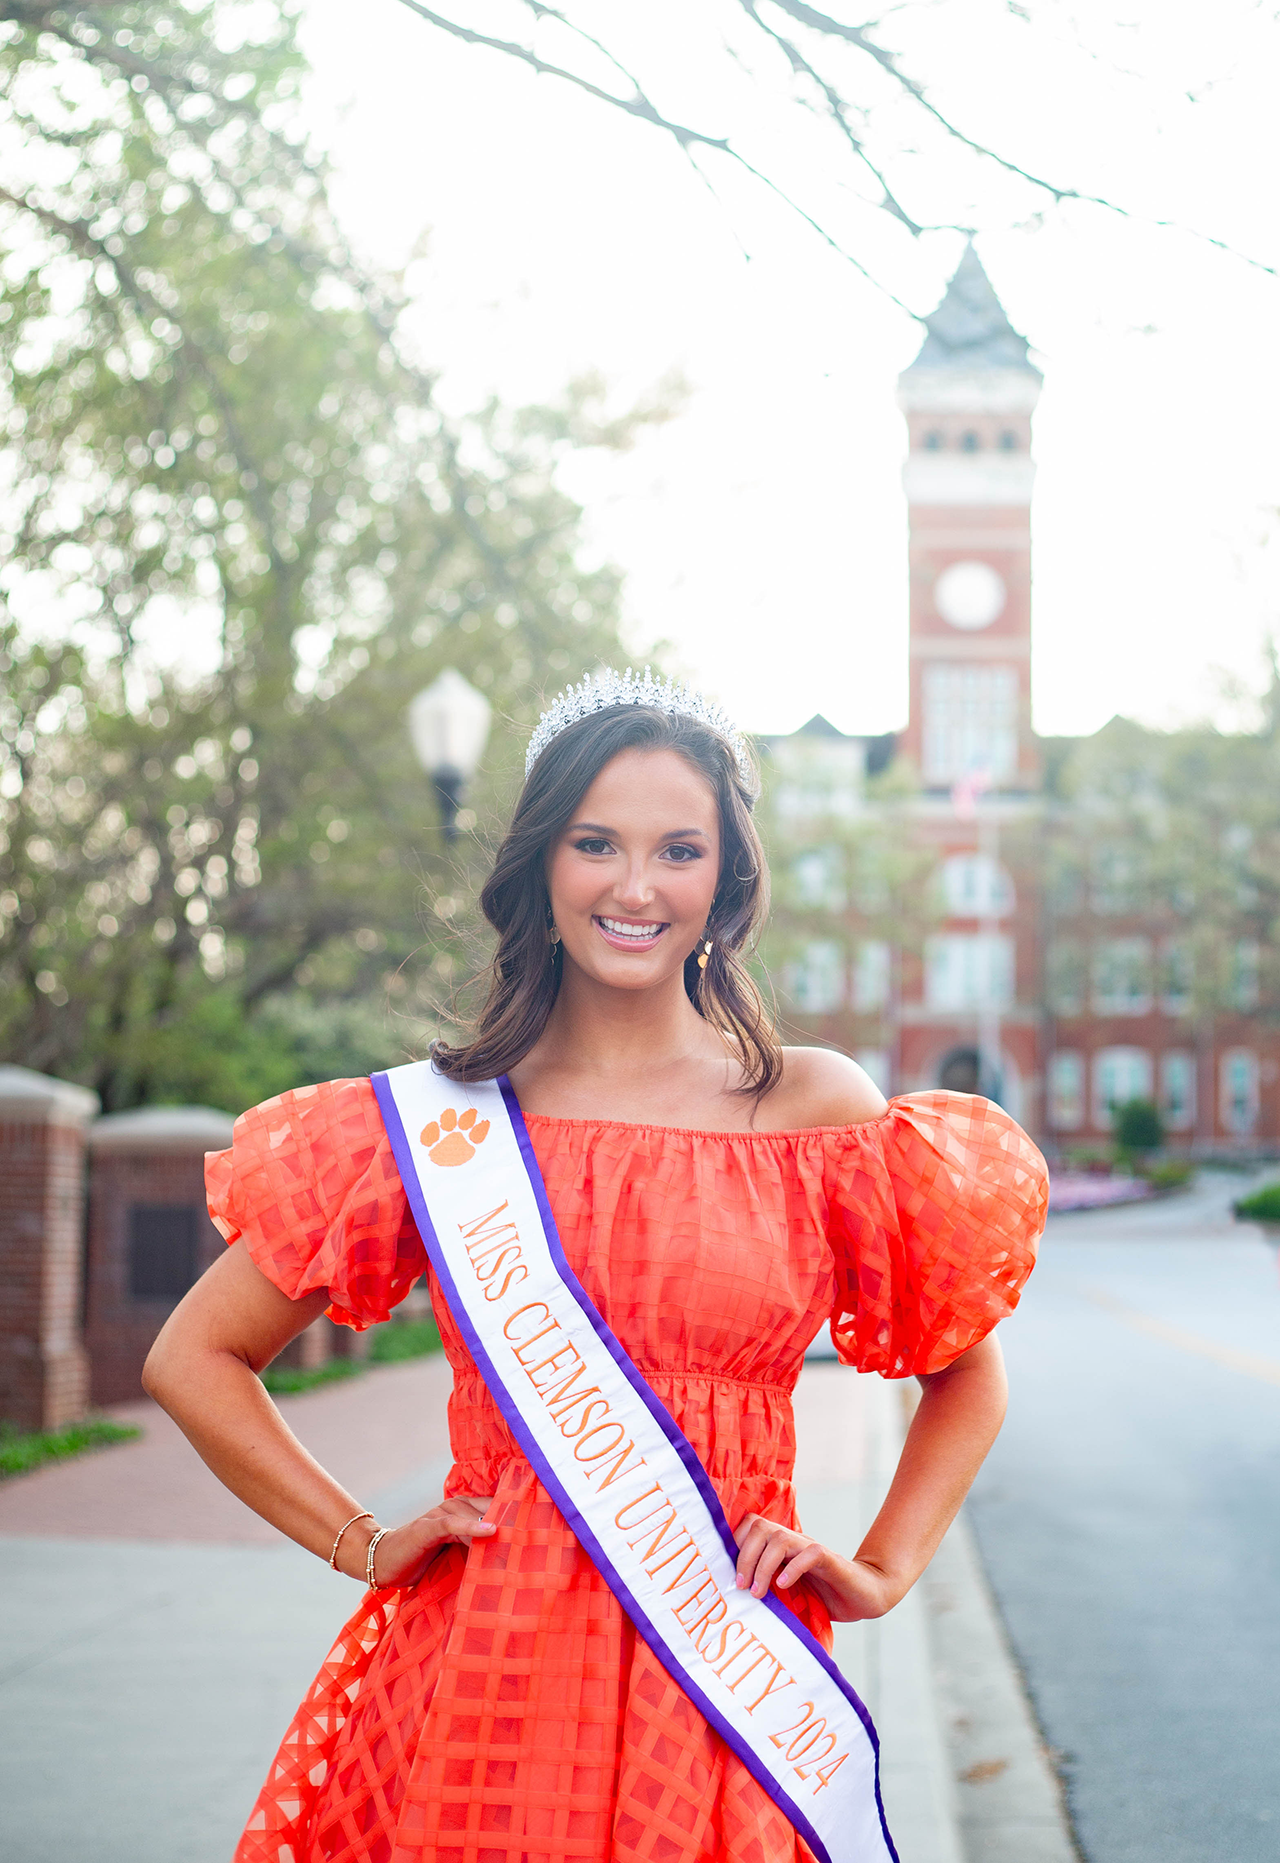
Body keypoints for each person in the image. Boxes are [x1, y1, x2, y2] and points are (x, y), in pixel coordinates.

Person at [144, 671, 1048, 1863]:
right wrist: (357, 1539)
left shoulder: (814, 1111)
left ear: (724, 879)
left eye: (678, 849)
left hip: (721, 1684)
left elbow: (964, 1375)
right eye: (594, 844)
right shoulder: (437, 1125)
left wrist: (878, 1567)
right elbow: (193, 1359)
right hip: (482, 1678)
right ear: (542, 866)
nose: (634, 887)